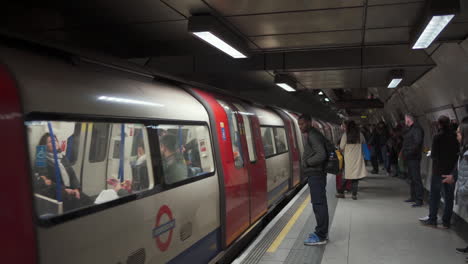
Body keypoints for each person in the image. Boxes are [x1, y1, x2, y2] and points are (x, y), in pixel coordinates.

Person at [34, 133, 91, 212]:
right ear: (45, 146)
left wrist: (76, 189)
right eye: (50, 142)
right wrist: (64, 190)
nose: (54, 143)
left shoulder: (62, 156)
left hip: (70, 189)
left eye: (55, 141)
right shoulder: (41, 160)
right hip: (57, 192)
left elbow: (72, 175)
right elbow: (46, 183)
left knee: (89, 201)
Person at [420, 116, 459, 228]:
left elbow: (434, 155)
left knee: (435, 196)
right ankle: (446, 222)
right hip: (451, 171)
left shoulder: (437, 137)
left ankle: (432, 219)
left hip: (438, 171)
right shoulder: (455, 136)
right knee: (449, 198)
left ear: (439, 124)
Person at [299, 115, 329, 246]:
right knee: (319, 203)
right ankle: (321, 232)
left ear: (309, 123)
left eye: (303, 124)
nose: (300, 127)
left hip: (316, 174)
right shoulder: (313, 133)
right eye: (299, 124)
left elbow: (321, 154)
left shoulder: (313, 135)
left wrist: (307, 162)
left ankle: (321, 235)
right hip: (317, 174)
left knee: (319, 204)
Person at [440, 117, 468, 256]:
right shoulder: (463, 151)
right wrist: (453, 177)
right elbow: (461, 170)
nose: (456, 135)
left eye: (458, 133)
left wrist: (463, 189)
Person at [336, 121, 367, 200]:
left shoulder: (345, 135)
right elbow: (364, 144)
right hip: (358, 158)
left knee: (346, 176)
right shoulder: (360, 135)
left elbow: (342, 147)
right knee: (355, 177)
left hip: (348, 159)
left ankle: (341, 193)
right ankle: (354, 195)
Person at [402, 113, 425, 207]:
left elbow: (417, 143)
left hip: (414, 157)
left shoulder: (417, 129)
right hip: (410, 157)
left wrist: (408, 152)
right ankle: (413, 196)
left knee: (416, 178)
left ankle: (419, 199)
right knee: (411, 178)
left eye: (405, 119)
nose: (404, 122)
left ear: (408, 120)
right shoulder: (411, 129)